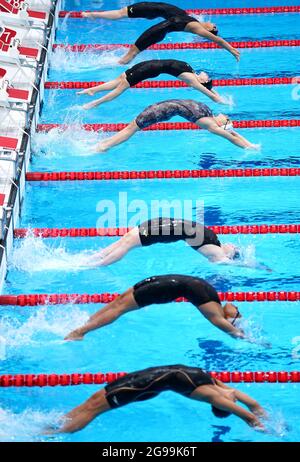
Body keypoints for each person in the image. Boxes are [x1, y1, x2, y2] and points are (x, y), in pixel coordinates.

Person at [48, 364, 266, 434]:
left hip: (143, 384)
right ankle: (56, 424)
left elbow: (249, 416)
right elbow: (252, 407)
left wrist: (266, 427)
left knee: (94, 408)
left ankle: (53, 433)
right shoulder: (218, 387)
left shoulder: (213, 393)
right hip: (145, 380)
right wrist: (274, 423)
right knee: (94, 400)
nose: (234, 396)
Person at [64, 274, 245, 341]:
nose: (236, 308)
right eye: (237, 314)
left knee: (118, 302)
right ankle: (80, 331)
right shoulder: (212, 306)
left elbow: (223, 320)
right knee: (120, 309)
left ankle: (86, 324)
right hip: (163, 288)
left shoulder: (210, 293)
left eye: (236, 312)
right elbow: (220, 323)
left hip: (159, 279)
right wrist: (243, 336)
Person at [81, 2, 240, 64]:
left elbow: (217, 40)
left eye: (214, 26)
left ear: (210, 30)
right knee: (122, 12)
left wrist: (231, 49)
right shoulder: (194, 19)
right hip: (155, 13)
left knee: (130, 55)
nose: (214, 23)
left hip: (158, 30)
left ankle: (105, 65)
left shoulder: (196, 27)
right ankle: (93, 15)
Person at [94, 99, 259, 152]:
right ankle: (104, 145)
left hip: (160, 109)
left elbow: (231, 136)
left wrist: (248, 146)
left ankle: (104, 145)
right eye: (228, 118)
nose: (226, 116)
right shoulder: (209, 117)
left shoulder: (209, 120)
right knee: (131, 128)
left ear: (222, 123)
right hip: (161, 108)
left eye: (227, 119)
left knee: (131, 128)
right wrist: (249, 145)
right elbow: (231, 134)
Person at [77, 59, 230, 110]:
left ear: (203, 81)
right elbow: (210, 88)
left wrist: (224, 101)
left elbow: (209, 94)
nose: (208, 75)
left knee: (121, 87)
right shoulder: (193, 71)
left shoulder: (193, 80)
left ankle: (95, 103)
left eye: (208, 78)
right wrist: (213, 89)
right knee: (119, 80)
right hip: (147, 64)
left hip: (149, 69)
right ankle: (93, 90)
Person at [85, 218, 241, 267]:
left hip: (162, 225)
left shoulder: (215, 245)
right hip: (162, 227)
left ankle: (95, 260)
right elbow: (223, 261)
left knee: (127, 241)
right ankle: (96, 262)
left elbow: (223, 259)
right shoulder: (217, 247)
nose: (232, 246)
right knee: (127, 242)